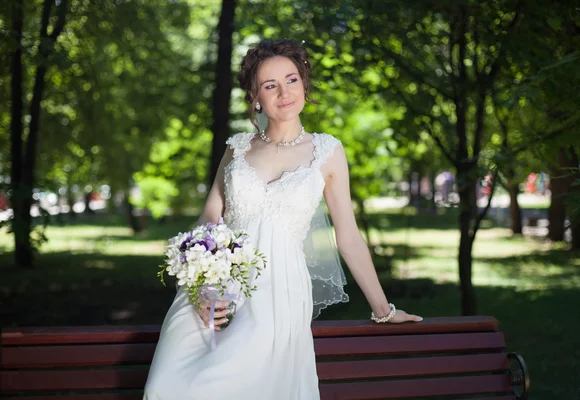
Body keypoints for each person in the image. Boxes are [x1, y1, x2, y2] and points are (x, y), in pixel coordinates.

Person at [143, 39, 422, 400]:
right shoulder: (237, 148)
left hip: (277, 293)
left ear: (305, 84)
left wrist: (383, 311)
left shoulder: (327, 151)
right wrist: (200, 291)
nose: (284, 92)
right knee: (165, 387)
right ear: (255, 97)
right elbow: (209, 219)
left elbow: (349, 238)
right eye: (270, 85)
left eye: (291, 80)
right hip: (214, 288)